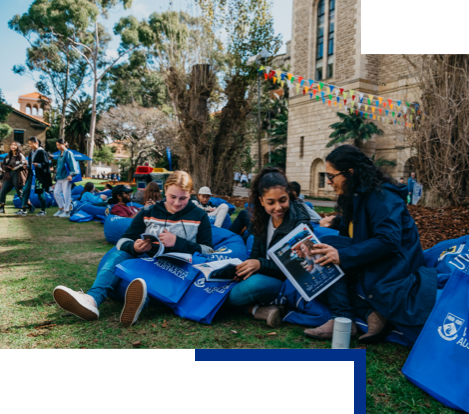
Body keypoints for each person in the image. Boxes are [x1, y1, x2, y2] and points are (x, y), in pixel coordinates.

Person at [303, 145, 437, 344]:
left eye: (331, 176)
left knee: (326, 251)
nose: (329, 182)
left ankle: (343, 319)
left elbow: (388, 241)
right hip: (378, 257)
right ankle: (368, 314)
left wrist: (342, 256)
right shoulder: (357, 195)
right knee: (319, 253)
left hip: (397, 265)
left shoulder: (383, 197)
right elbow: (361, 231)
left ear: (350, 173)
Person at [52, 171, 214, 326]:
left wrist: (177, 242)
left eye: (183, 198)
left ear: (191, 194)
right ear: (165, 190)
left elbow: (208, 251)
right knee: (119, 254)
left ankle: (141, 301)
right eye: (172, 197)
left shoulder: (199, 215)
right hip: (147, 264)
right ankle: (92, 300)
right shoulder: (149, 211)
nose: (177, 203)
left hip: (177, 270)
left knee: (131, 285)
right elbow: (122, 241)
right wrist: (135, 247)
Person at [224, 167, 312, 327]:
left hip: (287, 283)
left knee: (254, 284)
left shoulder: (299, 223)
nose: (278, 207)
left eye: (283, 200)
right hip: (265, 275)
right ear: (261, 201)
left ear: (289, 195)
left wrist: (260, 265)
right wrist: (247, 270)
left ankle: (227, 303)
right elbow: (255, 255)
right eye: (271, 202)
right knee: (235, 279)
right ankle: (258, 310)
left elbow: (296, 269)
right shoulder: (262, 218)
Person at [16, 137, 52, 217]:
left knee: (40, 193)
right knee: (25, 191)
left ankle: (43, 210)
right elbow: (30, 164)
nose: (30, 145)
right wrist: (27, 166)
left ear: (36, 143)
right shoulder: (31, 153)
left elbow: (46, 164)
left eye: (31, 143)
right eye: (29, 144)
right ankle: (24, 209)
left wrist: (38, 165)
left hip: (40, 177)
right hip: (31, 175)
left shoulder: (42, 152)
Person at [0, 142, 28, 214]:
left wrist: (15, 166)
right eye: (12, 144)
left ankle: (29, 206)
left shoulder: (21, 155)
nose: (13, 146)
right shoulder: (8, 156)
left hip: (18, 176)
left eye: (15, 145)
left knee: (20, 194)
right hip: (8, 176)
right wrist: (8, 167)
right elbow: (3, 166)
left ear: (18, 147)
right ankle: (1, 208)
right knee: (3, 191)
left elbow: (24, 165)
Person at [53, 139, 78, 218]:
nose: (58, 146)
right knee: (56, 193)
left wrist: (71, 174)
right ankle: (61, 208)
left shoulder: (68, 153)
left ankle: (67, 211)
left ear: (64, 144)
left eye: (59, 145)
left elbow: (72, 164)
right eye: (57, 145)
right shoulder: (59, 154)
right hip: (60, 177)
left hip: (67, 177)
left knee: (66, 194)